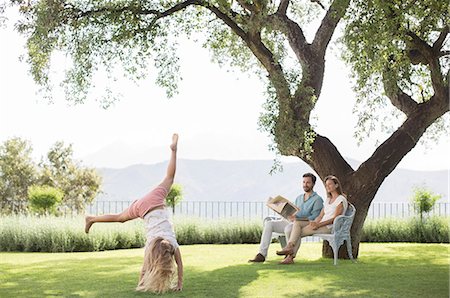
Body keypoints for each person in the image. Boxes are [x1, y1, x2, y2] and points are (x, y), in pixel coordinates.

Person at [84, 134, 183, 293]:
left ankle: (174, 151)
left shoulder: (171, 244)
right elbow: (147, 268)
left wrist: (179, 282)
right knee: (119, 218)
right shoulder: (151, 247)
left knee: (170, 178)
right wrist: (143, 284)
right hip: (145, 207)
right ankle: (91, 219)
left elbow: (178, 264)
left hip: (151, 201)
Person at [248, 173, 323, 263]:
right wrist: (284, 212)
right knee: (269, 223)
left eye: (308, 182)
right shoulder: (299, 198)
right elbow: (295, 211)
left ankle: (289, 255)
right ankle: (261, 254)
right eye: (303, 182)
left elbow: (315, 217)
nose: (305, 185)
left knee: (288, 228)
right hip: (290, 221)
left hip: (300, 224)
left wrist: (298, 219)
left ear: (313, 184)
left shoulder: (317, 199)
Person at [276, 175, 348, 264]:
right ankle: (289, 248)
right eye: (326, 185)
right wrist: (315, 222)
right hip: (321, 224)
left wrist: (318, 225)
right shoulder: (328, 199)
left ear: (336, 185)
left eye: (330, 184)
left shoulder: (340, 199)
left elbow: (335, 219)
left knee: (296, 233)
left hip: (330, 227)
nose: (327, 187)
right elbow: (321, 216)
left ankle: (290, 255)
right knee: (297, 223)